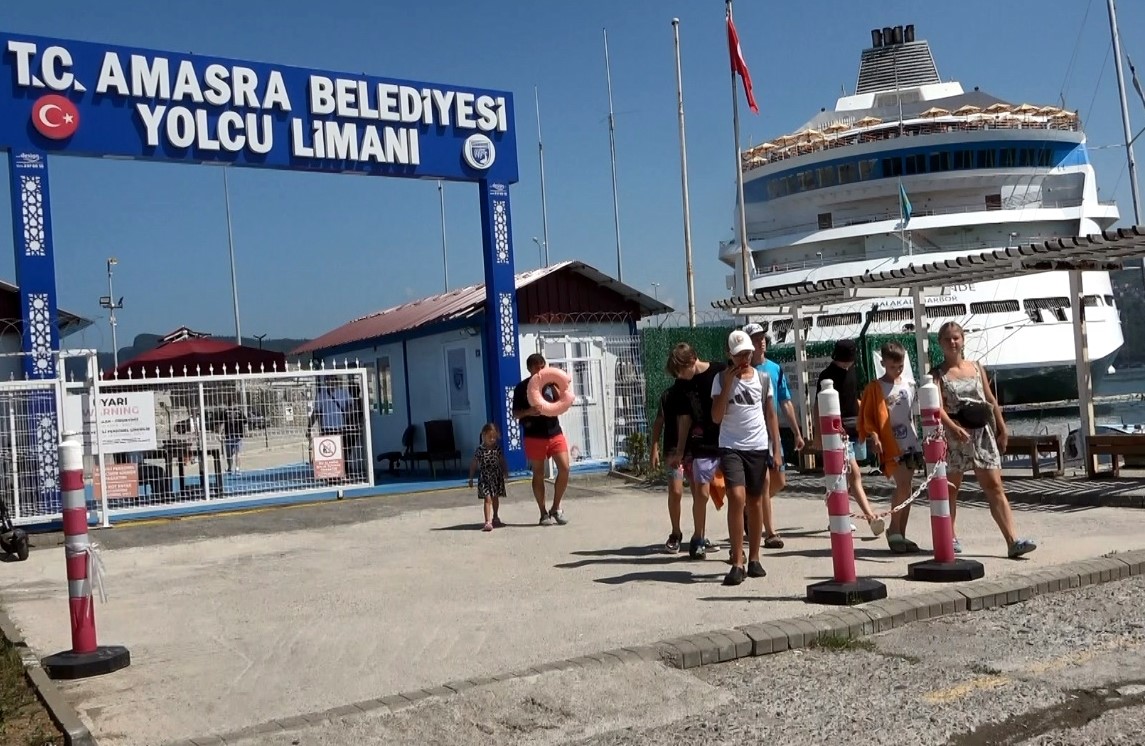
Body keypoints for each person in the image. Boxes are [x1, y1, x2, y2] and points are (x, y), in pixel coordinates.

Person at [931, 321, 1036, 558]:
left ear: (963, 339)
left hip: (982, 433)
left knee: (995, 486)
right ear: (940, 343)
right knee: (951, 489)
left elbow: (989, 399)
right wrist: (952, 427)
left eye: (956, 337)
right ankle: (950, 537)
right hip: (956, 434)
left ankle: (1012, 540)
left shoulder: (977, 367)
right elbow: (938, 407)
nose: (952, 342)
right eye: (947, 339)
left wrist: (1002, 427)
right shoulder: (937, 374)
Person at [712, 330, 781, 586]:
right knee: (737, 497)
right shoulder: (720, 380)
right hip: (731, 445)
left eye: (748, 353)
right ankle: (737, 561)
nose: (745, 358)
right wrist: (728, 384)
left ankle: (754, 558)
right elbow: (716, 416)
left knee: (755, 500)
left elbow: (770, 414)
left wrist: (777, 450)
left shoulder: (762, 379)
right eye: (740, 354)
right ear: (730, 355)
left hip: (757, 445)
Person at [743, 323, 806, 549]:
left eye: (763, 338)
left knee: (779, 481)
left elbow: (785, 401)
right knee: (765, 480)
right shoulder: (743, 370)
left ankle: (751, 507)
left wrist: (797, 431)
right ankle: (770, 532)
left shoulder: (774, 369)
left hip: (771, 432)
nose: (762, 342)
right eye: (756, 338)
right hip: (751, 433)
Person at [859, 341, 924, 554]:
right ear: (884, 363)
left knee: (909, 487)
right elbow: (869, 416)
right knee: (902, 484)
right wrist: (874, 436)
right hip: (891, 442)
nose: (898, 369)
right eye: (893, 366)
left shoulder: (908, 384)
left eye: (901, 365)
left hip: (910, 440)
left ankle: (901, 533)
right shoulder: (875, 388)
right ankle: (894, 529)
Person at [665, 342, 726, 560]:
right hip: (701, 443)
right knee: (701, 492)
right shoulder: (682, 385)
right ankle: (698, 538)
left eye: (681, 370)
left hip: (728, 439)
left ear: (692, 361)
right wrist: (680, 451)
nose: (679, 376)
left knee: (738, 492)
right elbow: (684, 419)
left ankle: (738, 542)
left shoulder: (719, 372)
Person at [813, 339, 880, 532]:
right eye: (843, 361)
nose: (846, 364)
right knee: (854, 473)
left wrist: (869, 428)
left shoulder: (854, 370)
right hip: (836, 430)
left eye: (849, 361)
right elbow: (818, 405)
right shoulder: (827, 375)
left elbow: (858, 399)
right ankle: (870, 517)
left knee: (843, 475)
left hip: (854, 426)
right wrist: (818, 434)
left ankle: (839, 512)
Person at [512, 353, 570, 526]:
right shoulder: (522, 388)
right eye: (537, 367)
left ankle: (556, 507)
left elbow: (562, 401)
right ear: (529, 369)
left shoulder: (551, 383)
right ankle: (543, 512)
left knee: (565, 468)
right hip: (534, 435)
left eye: (542, 365)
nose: (540, 369)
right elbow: (515, 413)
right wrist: (529, 412)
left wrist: (554, 386)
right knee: (538, 473)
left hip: (554, 432)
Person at [650, 377, 688, 552]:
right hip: (673, 451)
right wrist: (654, 447)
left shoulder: (695, 392)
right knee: (675, 491)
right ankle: (676, 532)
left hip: (694, 449)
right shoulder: (668, 395)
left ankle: (699, 535)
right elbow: (659, 421)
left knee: (702, 492)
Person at [468, 422, 508, 532]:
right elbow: (474, 464)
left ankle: (495, 516)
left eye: (494, 437)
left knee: (495, 497)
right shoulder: (480, 450)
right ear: (484, 435)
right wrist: (471, 478)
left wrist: (505, 471)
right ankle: (487, 521)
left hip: (496, 476)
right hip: (485, 477)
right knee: (487, 498)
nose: (492, 440)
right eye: (490, 437)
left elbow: (502, 461)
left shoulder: (497, 449)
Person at [220, 404, 246, 474]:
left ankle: (234, 468)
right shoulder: (226, 412)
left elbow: (245, 421)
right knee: (231, 454)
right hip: (231, 435)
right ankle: (232, 468)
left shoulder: (238, 412)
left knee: (235, 453)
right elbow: (222, 423)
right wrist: (221, 433)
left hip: (236, 435)